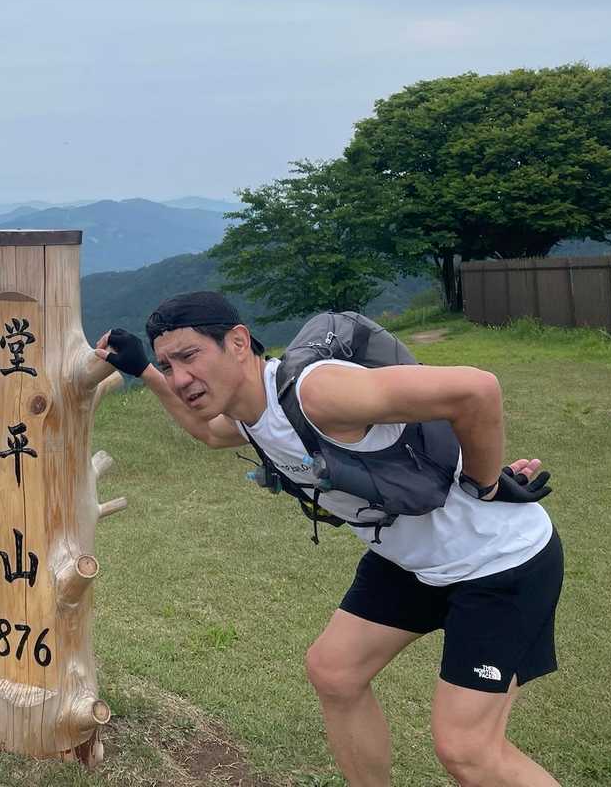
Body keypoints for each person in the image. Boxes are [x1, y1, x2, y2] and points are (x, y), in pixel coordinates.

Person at [97, 291, 563, 787]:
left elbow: (477, 390)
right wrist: (143, 369)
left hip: (496, 563)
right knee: (334, 672)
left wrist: (484, 485)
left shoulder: (316, 394)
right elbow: (208, 432)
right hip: (412, 560)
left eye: (189, 356)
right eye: (169, 365)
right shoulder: (246, 413)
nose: (180, 377)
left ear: (237, 342)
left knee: (467, 750)